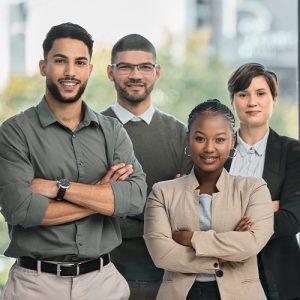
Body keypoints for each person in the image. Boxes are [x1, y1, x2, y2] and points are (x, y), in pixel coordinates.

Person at [0, 22, 147, 300]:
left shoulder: (112, 131)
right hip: (36, 286)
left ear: (90, 69)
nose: (70, 72)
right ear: (44, 66)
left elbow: (135, 198)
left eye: (80, 62)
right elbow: (20, 210)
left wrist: (60, 188)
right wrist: (103, 199)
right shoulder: (15, 131)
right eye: (60, 61)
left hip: (102, 284)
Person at [144, 99, 274, 300]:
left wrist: (190, 239)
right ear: (188, 140)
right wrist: (224, 254)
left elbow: (251, 244)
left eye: (220, 139)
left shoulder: (254, 188)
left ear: (232, 141)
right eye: (200, 138)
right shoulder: (162, 192)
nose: (209, 148)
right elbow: (161, 254)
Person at [101, 34, 192, 299]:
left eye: (144, 67)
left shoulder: (180, 134)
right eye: (126, 67)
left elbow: (189, 207)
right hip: (104, 270)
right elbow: (88, 202)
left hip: (167, 273)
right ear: (110, 72)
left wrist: (118, 203)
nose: (135, 75)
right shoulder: (91, 130)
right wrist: (161, 203)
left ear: (157, 72)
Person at [226, 62, 300, 300]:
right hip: (222, 273)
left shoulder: (293, 152)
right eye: (243, 94)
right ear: (232, 100)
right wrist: (268, 207)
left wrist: (226, 215)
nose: (252, 102)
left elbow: (291, 219)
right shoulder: (215, 150)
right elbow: (198, 213)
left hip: (276, 277)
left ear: (274, 99)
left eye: (260, 93)